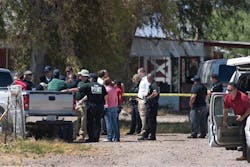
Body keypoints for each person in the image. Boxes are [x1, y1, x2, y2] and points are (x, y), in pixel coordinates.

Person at [76, 73, 107, 142]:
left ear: (92, 79)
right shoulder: (101, 86)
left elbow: (79, 90)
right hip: (100, 106)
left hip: (91, 106)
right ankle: (96, 137)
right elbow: (105, 96)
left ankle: (91, 137)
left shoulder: (88, 85)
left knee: (90, 122)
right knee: (98, 122)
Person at [223, 82, 250, 161]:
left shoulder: (243, 97)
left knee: (243, 133)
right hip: (239, 116)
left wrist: (243, 117)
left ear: (236, 90)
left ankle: (245, 155)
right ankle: (243, 152)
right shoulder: (227, 97)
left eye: (230, 90)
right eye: (227, 90)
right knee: (240, 133)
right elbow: (226, 110)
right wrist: (224, 121)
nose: (228, 92)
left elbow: (249, 109)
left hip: (247, 116)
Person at [138, 73, 160, 141]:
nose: (147, 80)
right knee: (148, 120)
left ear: (151, 78)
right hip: (150, 105)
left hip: (152, 105)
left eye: (148, 78)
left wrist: (148, 98)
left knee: (151, 121)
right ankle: (146, 135)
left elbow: (155, 93)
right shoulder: (152, 84)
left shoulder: (154, 85)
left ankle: (152, 136)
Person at [103, 77, 120, 142]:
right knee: (115, 123)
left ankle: (109, 137)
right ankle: (116, 137)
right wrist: (116, 106)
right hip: (114, 107)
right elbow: (116, 99)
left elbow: (105, 99)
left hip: (108, 107)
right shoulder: (113, 89)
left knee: (108, 123)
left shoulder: (106, 89)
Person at [137, 67, 150, 136]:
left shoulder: (146, 80)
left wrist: (144, 98)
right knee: (141, 116)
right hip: (139, 99)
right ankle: (143, 129)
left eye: (138, 73)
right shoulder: (142, 80)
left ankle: (144, 131)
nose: (138, 74)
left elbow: (147, 90)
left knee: (143, 116)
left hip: (143, 100)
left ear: (142, 72)